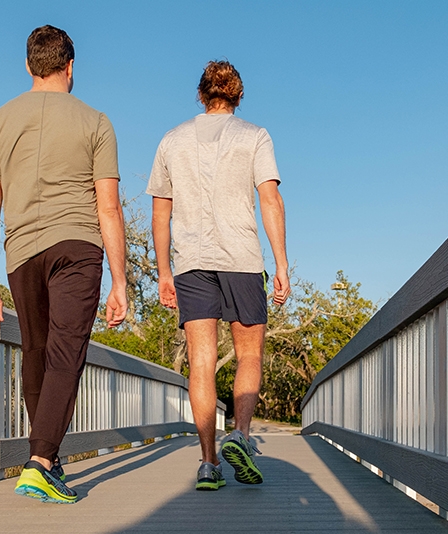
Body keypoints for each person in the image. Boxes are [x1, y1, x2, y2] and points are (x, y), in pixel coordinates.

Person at [0, 25, 127, 504]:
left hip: (20, 252)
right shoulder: (96, 122)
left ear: (28, 65)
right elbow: (108, 208)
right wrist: (120, 282)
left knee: (36, 352)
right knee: (65, 352)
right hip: (77, 245)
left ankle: (47, 461)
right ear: (70, 65)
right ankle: (40, 462)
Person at [147, 60, 290, 491]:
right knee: (249, 355)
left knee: (201, 362)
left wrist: (164, 272)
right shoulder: (254, 136)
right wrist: (281, 263)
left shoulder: (172, 140)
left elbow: (160, 213)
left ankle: (208, 463)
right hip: (241, 258)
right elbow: (270, 200)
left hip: (191, 262)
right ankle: (240, 436)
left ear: (201, 94)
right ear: (239, 95)